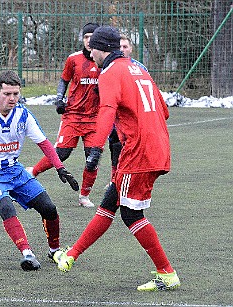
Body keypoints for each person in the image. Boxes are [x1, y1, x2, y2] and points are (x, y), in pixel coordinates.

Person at [53, 26, 181, 292]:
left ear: (100, 49)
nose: (91, 54)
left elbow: (107, 111)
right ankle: (72, 255)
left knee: (132, 214)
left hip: (139, 151)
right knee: (111, 201)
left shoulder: (110, 72)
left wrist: (96, 150)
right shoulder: (139, 69)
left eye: (92, 50)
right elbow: (164, 111)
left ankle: (167, 273)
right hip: (157, 146)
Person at [0, 70, 79, 271]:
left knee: (49, 208)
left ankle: (54, 250)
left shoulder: (23, 115)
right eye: (7, 94)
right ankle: (27, 253)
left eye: (15, 94)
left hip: (15, 171)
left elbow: (43, 143)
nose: (12, 98)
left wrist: (60, 168)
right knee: (6, 206)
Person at [26, 23, 101, 208]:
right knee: (62, 153)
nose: (89, 40)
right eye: (86, 37)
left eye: (93, 36)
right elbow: (64, 80)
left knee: (92, 159)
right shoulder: (73, 59)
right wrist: (59, 98)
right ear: (82, 39)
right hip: (72, 116)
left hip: (95, 119)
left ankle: (84, 196)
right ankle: (33, 172)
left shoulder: (105, 62)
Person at [108, 34, 149, 181]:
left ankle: (133, 176)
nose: (122, 49)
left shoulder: (140, 68)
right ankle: (114, 179)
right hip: (116, 118)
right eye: (119, 47)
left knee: (134, 148)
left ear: (131, 49)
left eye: (125, 47)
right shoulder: (110, 68)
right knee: (115, 146)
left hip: (134, 117)